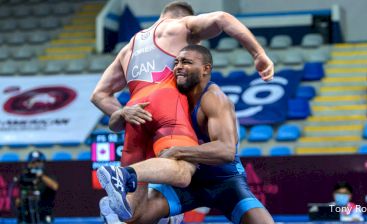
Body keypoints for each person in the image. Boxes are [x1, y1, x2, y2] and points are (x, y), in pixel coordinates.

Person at [92, 0, 273, 221]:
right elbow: (222, 18)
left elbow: (98, 95)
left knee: (135, 216)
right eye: (180, 59)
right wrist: (258, 54)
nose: (179, 65)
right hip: (165, 111)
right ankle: (124, 176)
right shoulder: (179, 26)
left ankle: (119, 211)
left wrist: (122, 113)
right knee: (182, 173)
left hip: (136, 112)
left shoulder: (129, 48)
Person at [16, 150, 58, 224]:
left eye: (38, 162)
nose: (36, 164)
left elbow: (55, 186)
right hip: (27, 213)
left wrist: (41, 176)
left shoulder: (47, 174)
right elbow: (18, 199)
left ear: (42, 163)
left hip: (44, 212)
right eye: (33, 162)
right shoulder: (24, 175)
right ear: (29, 163)